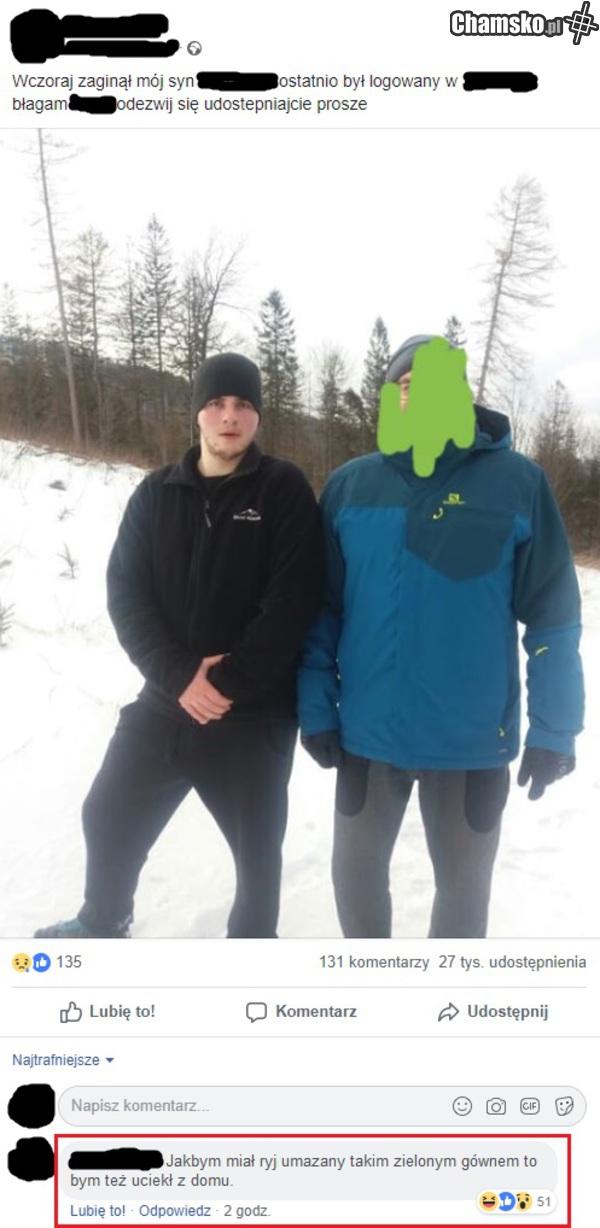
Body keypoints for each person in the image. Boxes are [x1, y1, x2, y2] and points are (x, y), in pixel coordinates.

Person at [298, 334, 584, 939]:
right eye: (405, 385)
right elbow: (320, 609)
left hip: (471, 741)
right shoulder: (351, 486)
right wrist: (316, 706)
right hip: (368, 734)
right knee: (353, 878)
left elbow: (554, 617)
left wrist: (555, 729)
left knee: (463, 895)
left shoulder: (517, 483)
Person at [35, 352, 323, 939]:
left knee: (257, 859)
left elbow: (293, 601)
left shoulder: (282, 488)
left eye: (243, 404)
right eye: (216, 403)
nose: (229, 416)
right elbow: (126, 594)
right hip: (166, 700)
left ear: (258, 416)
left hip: (253, 714)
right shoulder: (155, 492)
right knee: (107, 814)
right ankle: (103, 920)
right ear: (197, 413)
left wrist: (227, 684)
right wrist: (180, 676)